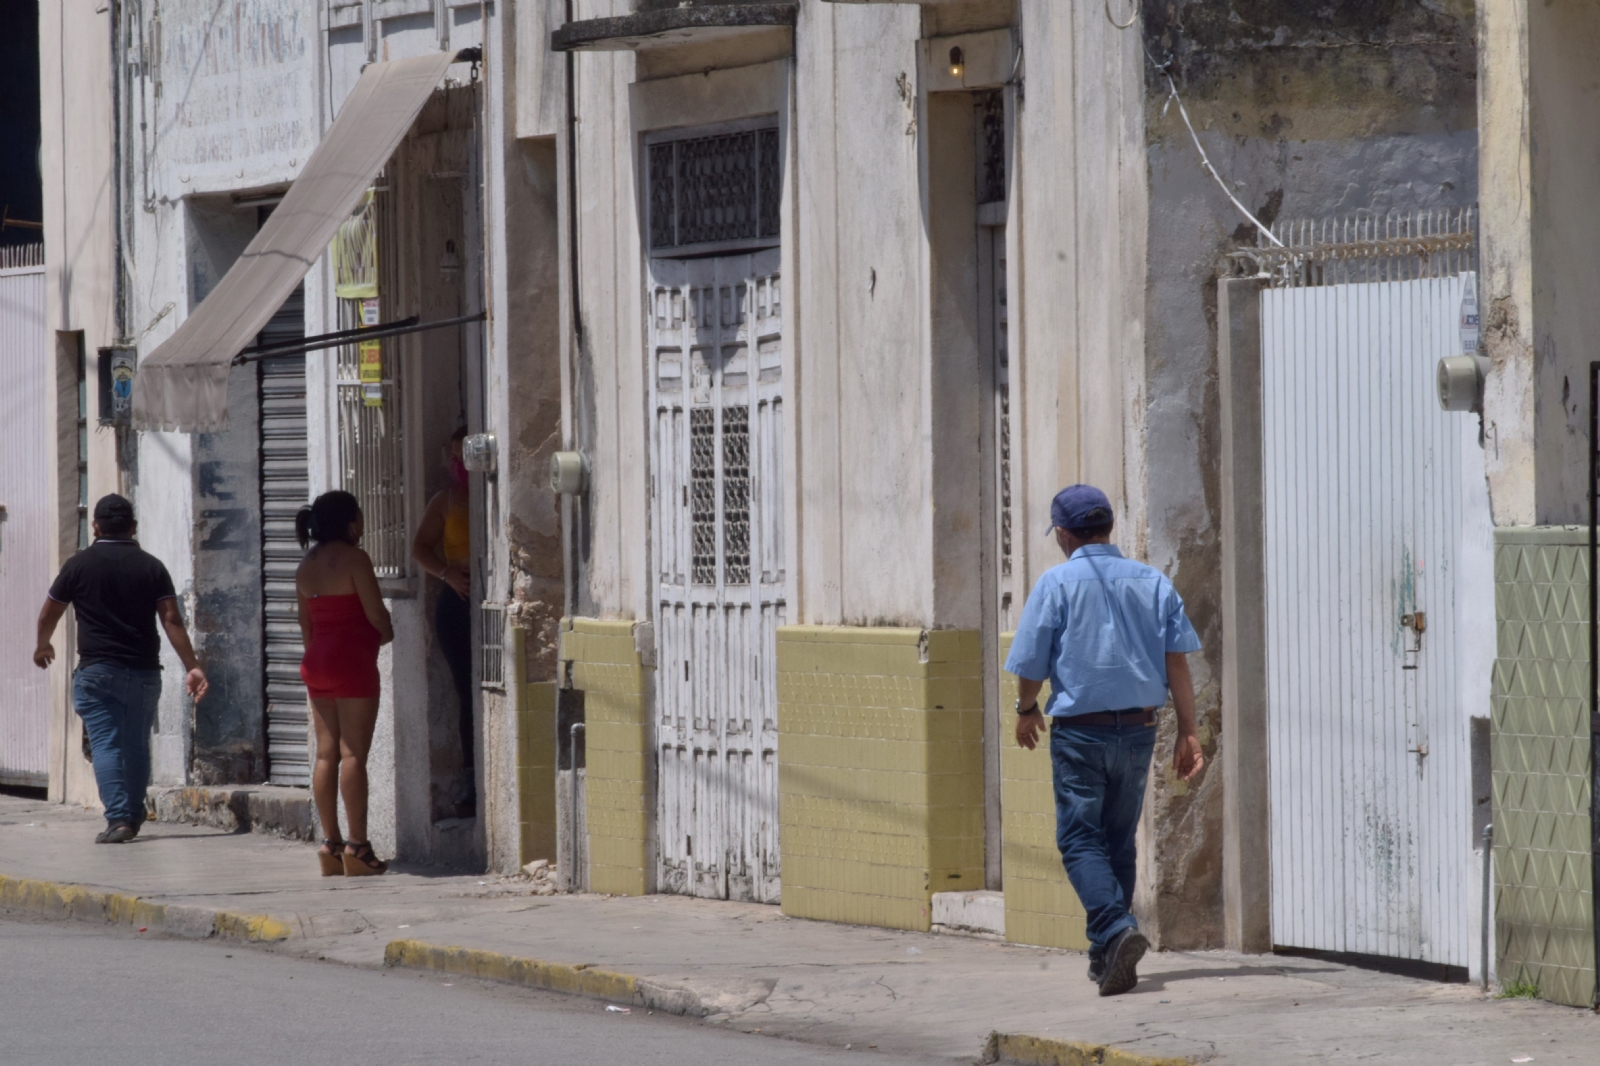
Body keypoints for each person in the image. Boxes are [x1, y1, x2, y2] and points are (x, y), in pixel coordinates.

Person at [1005, 484, 1205, 997]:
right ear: (1109, 527)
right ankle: (1106, 957)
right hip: (1139, 731)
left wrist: (1027, 710)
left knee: (1078, 840)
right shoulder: (1152, 582)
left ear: (1066, 534)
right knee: (1117, 841)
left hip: (1080, 734)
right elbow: (1177, 660)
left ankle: (1116, 929)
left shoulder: (1056, 583)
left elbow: (1031, 662)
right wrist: (1189, 730)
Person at [32, 494, 209, 844]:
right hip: (143, 672)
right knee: (136, 745)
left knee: (106, 745)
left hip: (97, 672)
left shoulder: (78, 565)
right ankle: (133, 811)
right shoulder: (151, 566)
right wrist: (192, 666)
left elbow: (50, 611)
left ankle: (119, 820)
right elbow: (171, 618)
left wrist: (43, 644)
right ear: (133, 527)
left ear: (95, 526)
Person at [296, 490, 394, 876]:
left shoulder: (307, 564)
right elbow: (376, 615)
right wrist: (385, 632)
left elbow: (306, 626)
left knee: (326, 754)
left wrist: (319, 657)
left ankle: (330, 843)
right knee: (354, 754)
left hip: (316, 661)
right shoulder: (356, 559)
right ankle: (359, 846)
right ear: (351, 521)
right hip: (352, 661)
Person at [410, 426, 475, 819]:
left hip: (487, 600)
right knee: (466, 692)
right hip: (458, 603)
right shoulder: (447, 500)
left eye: (463, 455)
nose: (456, 464)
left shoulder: (491, 494)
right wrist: (446, 573)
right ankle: (470, 783)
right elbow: (419, 548)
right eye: (452, 455)